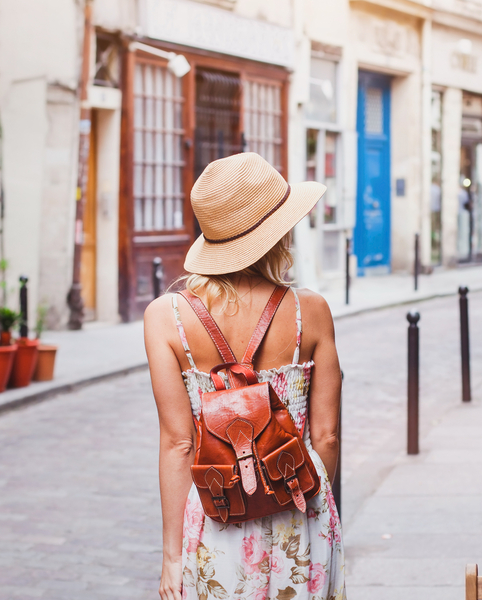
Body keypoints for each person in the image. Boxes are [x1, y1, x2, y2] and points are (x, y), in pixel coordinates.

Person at [144, 152, 345, 600]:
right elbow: (327, 435)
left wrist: (172, 557)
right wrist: (307, 500)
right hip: (300, 507)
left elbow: (178, 443)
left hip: (217, 513)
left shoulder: (165, 318)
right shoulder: (309, 311)